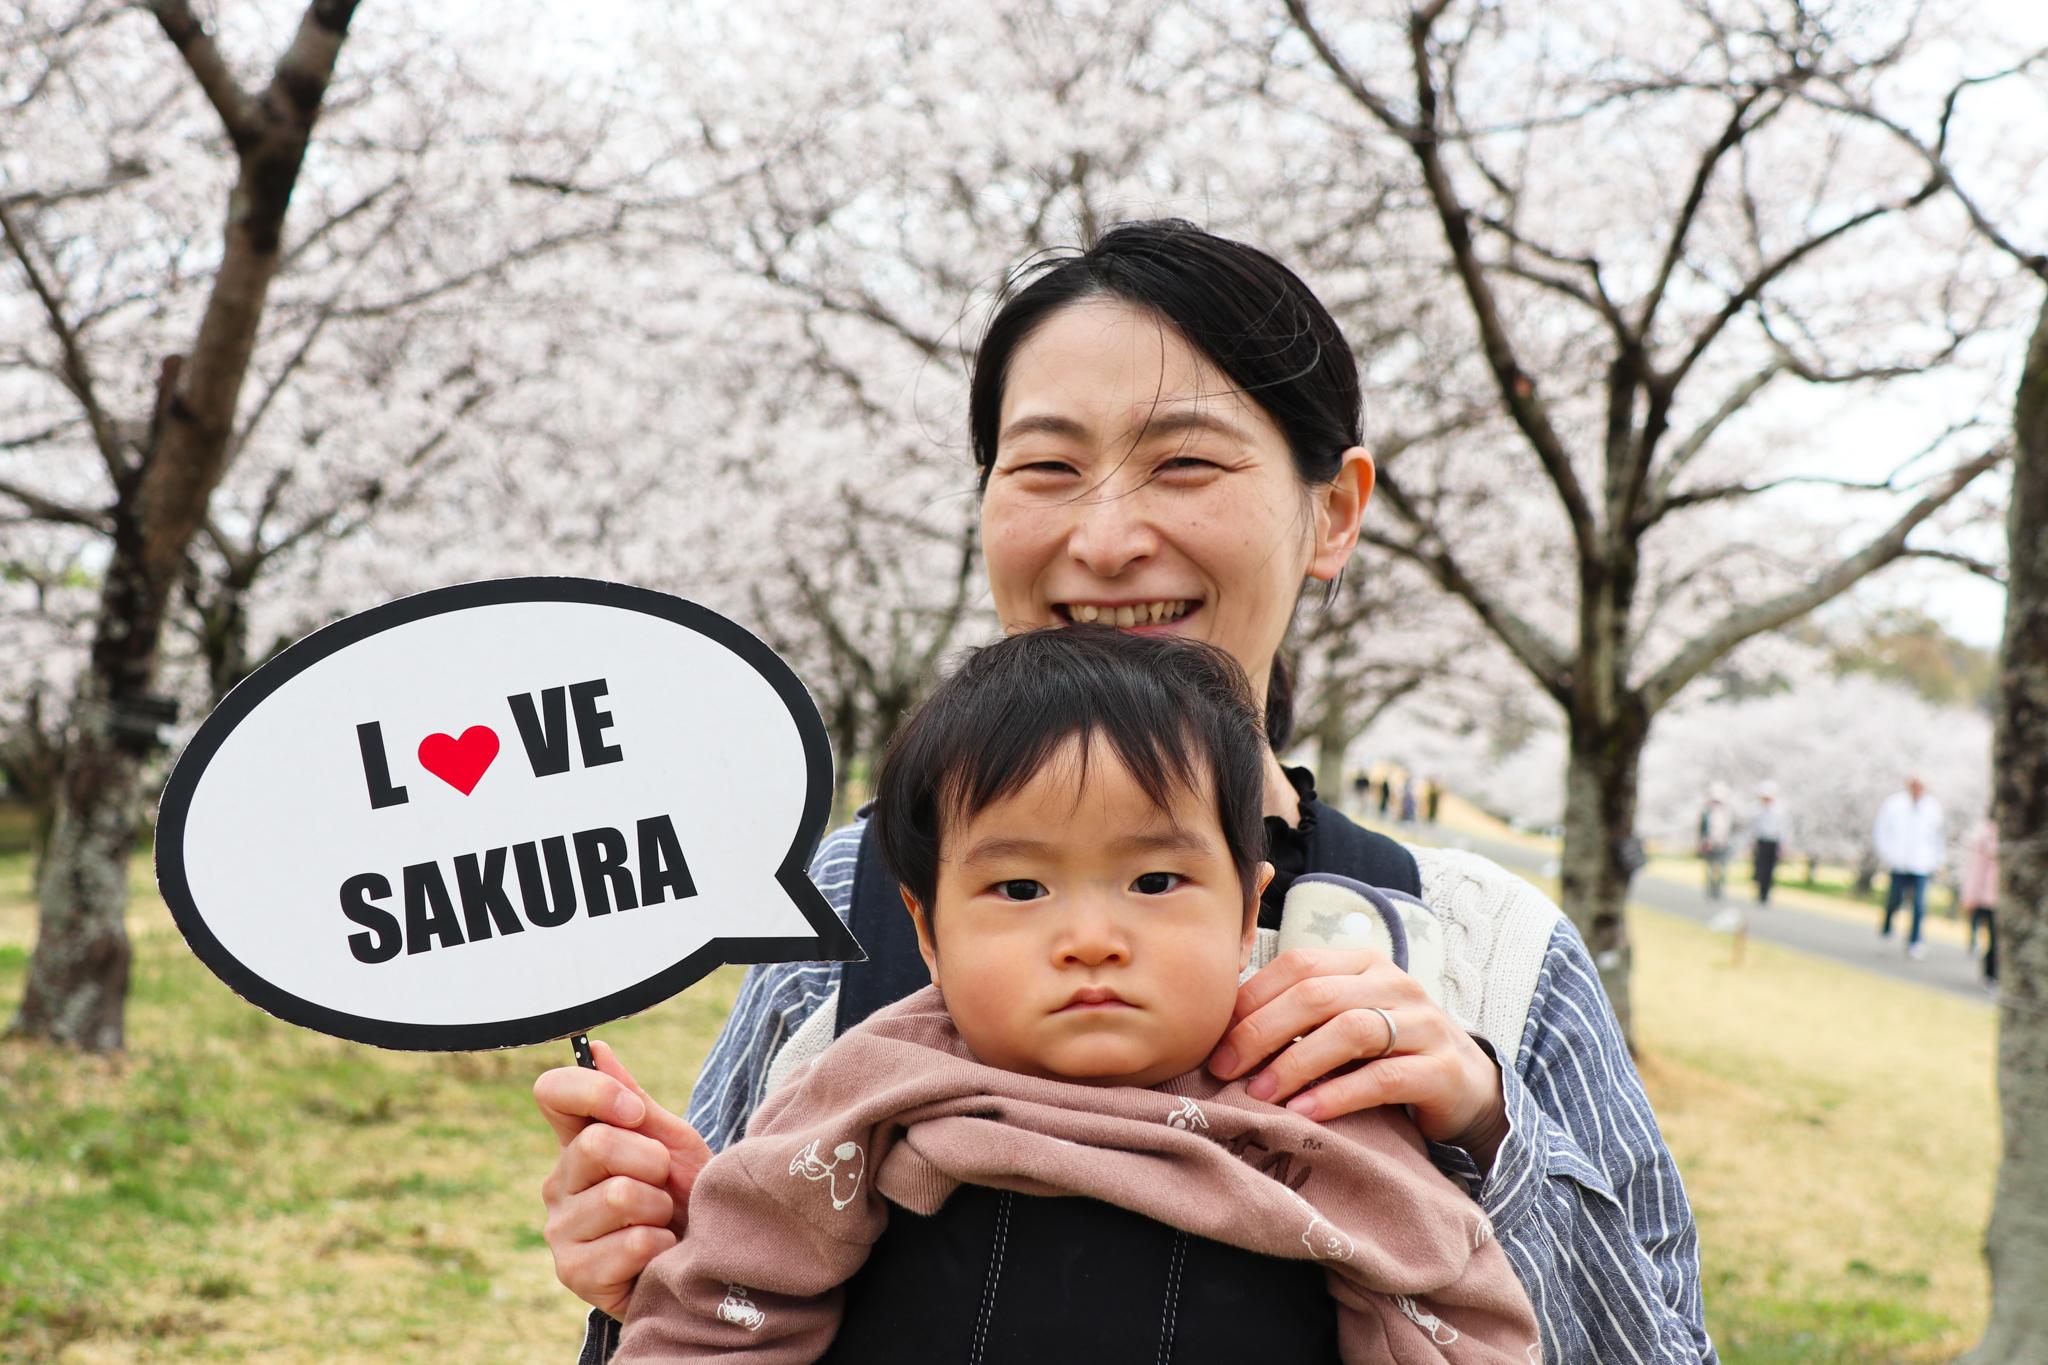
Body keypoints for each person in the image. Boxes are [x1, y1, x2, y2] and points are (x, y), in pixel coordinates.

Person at [533, 220, 1714, 1363]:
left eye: (1183, 463)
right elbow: (717, 1307)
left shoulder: (1484, 948)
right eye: (1045, 467)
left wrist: (1482, 1129)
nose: (1103, 541)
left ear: (1334, 510)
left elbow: (1662, 1349)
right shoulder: (849, 897)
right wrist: (653, 1270)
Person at [613, 627, 1540, 1362]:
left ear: (1247, 909)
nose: (1092, 939)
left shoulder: (1311, 1103)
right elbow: (729, 1297)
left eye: (1154, 882)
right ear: (927, 932)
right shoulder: (869, 1086)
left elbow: (1450, 1305)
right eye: (1020, 890)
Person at [1873, 774, 1945, 961]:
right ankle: (1887, 930)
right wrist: (1888, 854)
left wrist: (1937, 861)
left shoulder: (1933, 808)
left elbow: (1937, 837)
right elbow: (1882, 830)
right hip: (1899, 862)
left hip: (1921, 864)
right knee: (1894, 900)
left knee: (1919, 905)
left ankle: (1914, 941)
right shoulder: (1894, 804)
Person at [1960, 814, 1999, 986]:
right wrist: (1970, 895)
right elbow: (1975, 869)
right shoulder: (1984, 837)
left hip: (2000, 898)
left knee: (1997, 937)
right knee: (1993, 936)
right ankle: (1990, 974)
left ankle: (1994, 974)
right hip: (1986, 895)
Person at [1749, 782, 1786, 907]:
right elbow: (1754, 828)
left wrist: (1783, 845)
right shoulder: (1757, 810)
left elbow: (1783, 829)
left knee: (1770, 869)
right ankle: (1759, 891)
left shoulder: (1779, 811)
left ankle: (1766, 893)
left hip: (1773, 841)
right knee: (1760, 867)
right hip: (1761, 841)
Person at [1697, 784, 1733, 903]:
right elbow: (1702, 830)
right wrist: (1703, 842)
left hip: (1723, 845)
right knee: (1709, 869)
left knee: (1722, 869)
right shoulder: (1706, 813)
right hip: (1709, 845)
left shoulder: (1727, 814)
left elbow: (1731, 830)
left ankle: (1718, 891)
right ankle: (1709, 891)